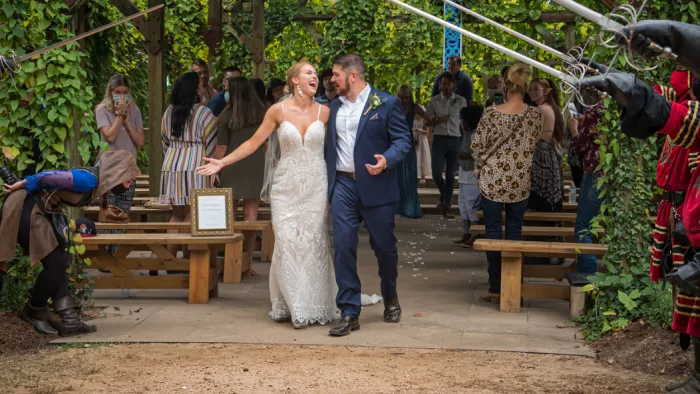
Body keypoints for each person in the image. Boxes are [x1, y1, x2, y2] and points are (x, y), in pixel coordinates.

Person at [577, 20, 700, 394]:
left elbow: (683, 117)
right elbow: (674, 103)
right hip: (683, 207)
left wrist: (644, 97)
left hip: (692, 206)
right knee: (692, 302)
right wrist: (624, 88)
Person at [196, 61, 338, 329]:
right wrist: (222, 162)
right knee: (286, 241)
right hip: (286, 187)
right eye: (309, 73)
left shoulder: (326, 112)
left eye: (316, 75)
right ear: (294, 80)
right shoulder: (277, 110)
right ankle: (294, 304)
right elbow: (253, 142)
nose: (315, 78)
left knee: (312, 242)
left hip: (315, 186)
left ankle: (314, 302)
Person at [0, 151, 140, 336]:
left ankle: (69, 319)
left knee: (60, 261)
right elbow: (46, 177)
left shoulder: (96, 184)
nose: (129, 184)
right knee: (56, 265)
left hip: (41, 211)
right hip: (26, 209)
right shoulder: (87, 180)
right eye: (128, 179)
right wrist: (23, 183)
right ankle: (35, 310)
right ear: (116, 173)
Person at [325, 54, 411, 336]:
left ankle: (390, 295)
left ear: (352, 76)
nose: (332, 79)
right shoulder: (331, 107)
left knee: (384, 248)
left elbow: (403, 140)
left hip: (377, 185)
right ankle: (349, 311)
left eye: (336, 74)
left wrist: (387, 159)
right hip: (343, 185)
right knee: (343, 246)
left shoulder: (385, 103)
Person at [473, 63, 544, 302]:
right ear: (524, 88)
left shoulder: (491, 113)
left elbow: (477, 146)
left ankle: (495, 286)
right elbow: (533, 142)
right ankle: (512, 287)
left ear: (505, 85)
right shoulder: (535, 115)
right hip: (520, 182)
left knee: (493, 232)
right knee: (514, 232)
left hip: (492, 180)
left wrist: (480, 169)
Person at [160, 72, 217, 259]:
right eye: (200, 85)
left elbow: (164, 141)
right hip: (196, 164)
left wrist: (172, 157)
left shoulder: (168, 112)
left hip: (171, 163)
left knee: (176, 215)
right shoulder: (204, 113)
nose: (203, 88)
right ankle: (188, 260)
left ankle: (167, 259)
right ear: (194, 89)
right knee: (192, 213)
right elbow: (211, 143)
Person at [216, 77, 266, 276]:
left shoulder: (226, 115)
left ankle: (230, 262)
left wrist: (216, 168)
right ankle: (247, 264)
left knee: (228, 217)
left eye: (227, 88)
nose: (225, 90)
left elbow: (221, 147)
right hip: (255, 165)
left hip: (231, 165)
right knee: (251, 217)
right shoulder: (261, 113)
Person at [94, 74, 145, 253]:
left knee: (122, 212)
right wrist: (118, 115)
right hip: (108, 168)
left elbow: (140, 141)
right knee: (107, 211)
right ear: (110, 92)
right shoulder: (101, 110)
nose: (121, 96)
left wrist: (127, 120)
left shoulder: (135, 111)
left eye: (125, 92)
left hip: (127, 169)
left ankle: (115, 254)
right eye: (117, 92)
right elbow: (110, 136)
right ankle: (104, 252)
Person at [569, 97, 605, 274]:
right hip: (618, 175)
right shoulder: (627, 106)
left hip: (596, 173)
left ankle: (588, 275)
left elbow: (579, 145)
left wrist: (574, 129)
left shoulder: (596, 109)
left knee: (584, 226)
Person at [425, 71, 468, 218]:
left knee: (450, 175)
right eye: (443, 84)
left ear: (453, 85)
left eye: (448, 84)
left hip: (455, 139)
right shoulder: (434, 101)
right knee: (436, 172)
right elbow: (426, 122)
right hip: (439, 139)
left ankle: (446, 206)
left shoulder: (461, 101)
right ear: (439, 85)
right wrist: (438, 120)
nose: (446, 87)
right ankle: (444, 196)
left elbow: (464, 121)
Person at [527, 78, 564, 213]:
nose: (532, 92)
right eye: (530, 89)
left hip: (540, 157)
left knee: (539, 198)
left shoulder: (541, 109)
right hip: (548, 156)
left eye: (536, 89)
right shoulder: (552, 108)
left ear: (546, 91)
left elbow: (538, 135)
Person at [453, 103, 483, 247]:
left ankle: (476, 233)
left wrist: (466, 155)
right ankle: (466, 231)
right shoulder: (467, 133)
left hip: (474, 174)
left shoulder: (478, 134)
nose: (462, 123)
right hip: (464, 173)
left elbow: (479, 154)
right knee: (463, 204)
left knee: (472, 204)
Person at [395, 85, 425, 218]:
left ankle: (410, 208)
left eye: (406, 97)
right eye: (402, 97)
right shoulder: (394, 106)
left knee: (410, 175)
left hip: (409, 142)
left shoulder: (414, 107)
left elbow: (428, 117)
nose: (404, 100)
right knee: (397, 176)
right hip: (396, 142)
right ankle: (399, 207)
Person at [414, 105, 431, 184]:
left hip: (422, 141)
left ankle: (423, 175)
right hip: (414, 140)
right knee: (416, 157)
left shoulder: (424, 121)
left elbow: (427, 132)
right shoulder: (413, 120)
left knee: (422, 158)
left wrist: (420, 130)